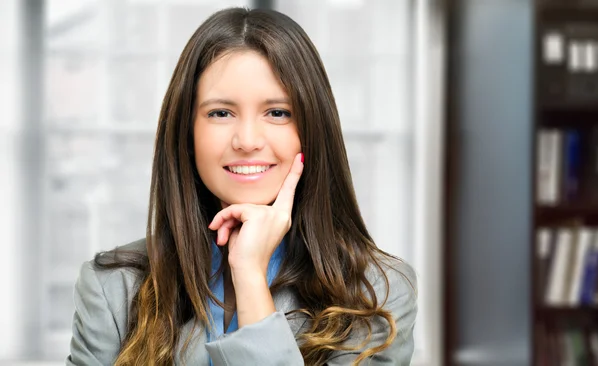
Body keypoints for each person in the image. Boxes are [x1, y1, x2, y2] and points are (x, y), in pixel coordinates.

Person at [66, 6, 417, 366]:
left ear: (312, 131)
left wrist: (249, 277)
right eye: (220, 113)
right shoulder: (113, 288)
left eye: (278, 112)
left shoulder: (377, 291)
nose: (247, 140)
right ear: (187, 133)